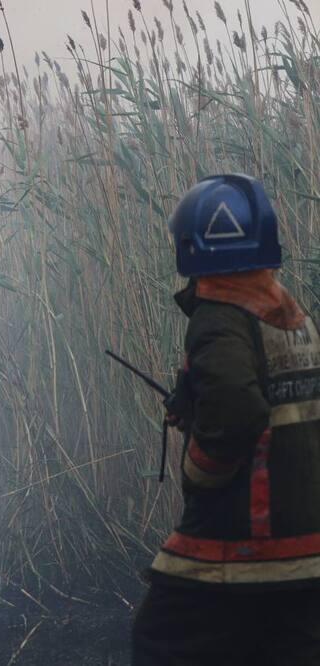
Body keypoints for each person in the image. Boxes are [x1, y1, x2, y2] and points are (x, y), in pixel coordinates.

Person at [132, 174, 320, 664]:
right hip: (307, 551)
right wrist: (197, 405)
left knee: (161, 641)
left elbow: (238, 413)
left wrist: (197, 466)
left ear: (191, 247)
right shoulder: (294, 316)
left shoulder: (218, 317)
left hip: (245, 545)